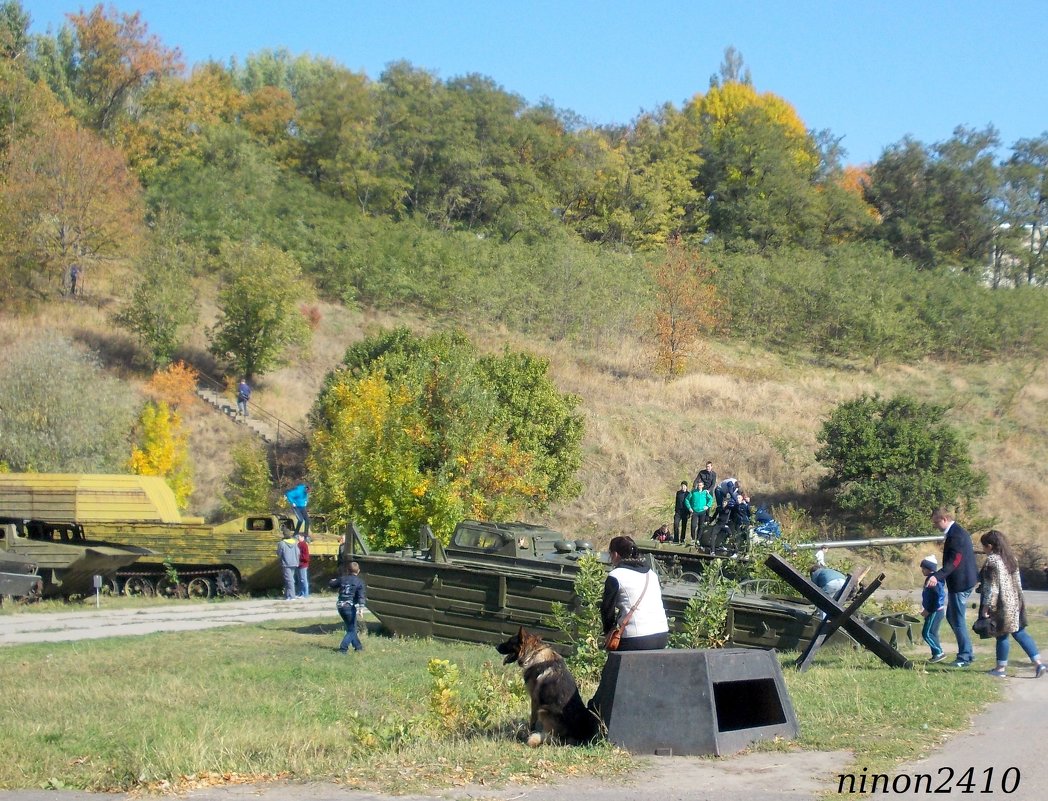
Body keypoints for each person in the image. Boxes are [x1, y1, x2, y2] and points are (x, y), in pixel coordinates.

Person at [978, 530, 1047, 679]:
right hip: (1015, 601)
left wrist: (986, 606)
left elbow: (992, 587)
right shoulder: (1011, 558)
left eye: (984, 546)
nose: (983, 550)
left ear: (990, 546)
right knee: (1020, 632)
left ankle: (1000, 668)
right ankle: (1038, 663)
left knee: (1001, 635)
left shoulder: (992, 561)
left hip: (1002, 604)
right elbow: (1018, 583)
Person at [926, 508, 978, 668]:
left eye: (936, 522)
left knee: (956, 619)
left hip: (961, 582)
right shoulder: (957, 532)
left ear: (944, 519)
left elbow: (954, 562)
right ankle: (967, 652)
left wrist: (937, 576)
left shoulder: (956, 535)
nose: (935, 526)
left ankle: (965, 656)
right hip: (962, 581)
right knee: (953, 617)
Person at [600, 535, 669, 651]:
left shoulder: (616, 576)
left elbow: (607, 610)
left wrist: (608, 631)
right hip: (661, 634)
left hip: (636, 637)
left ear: (615, 554)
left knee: (614, 665)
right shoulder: (651, 574)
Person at [329, 561, 367, 653]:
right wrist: (361, 609)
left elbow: (332, 584)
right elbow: (361, 596)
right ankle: (343, 649)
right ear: (358, 571)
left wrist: (331, 581)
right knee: (351, 630)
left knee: (351, 627)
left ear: (347, 570)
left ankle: (358, 647)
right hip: (349, 607)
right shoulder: (359, 582)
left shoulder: (342, 579)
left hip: (340, 606)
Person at [919, 555, 947, 663]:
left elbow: (935, 597)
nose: (922, 570)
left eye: (923, 568)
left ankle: (939, 652)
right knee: (933, 633)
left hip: (935, 611)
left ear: (929, 568)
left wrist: (928, 610)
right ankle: (936, 654)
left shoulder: (932, 581)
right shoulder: (933, 578)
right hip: (936, 610)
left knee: (926, 633)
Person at [685, 482, 714, 547]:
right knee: (693, 525)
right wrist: (689, 508)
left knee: (701, 526)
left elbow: (711, 499)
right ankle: (693, 539)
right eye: (698, 485)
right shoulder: (693, 492)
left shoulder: (705, 492)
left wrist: (707, 506)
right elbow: (687, 500)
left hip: (702, 511)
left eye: (700, 485)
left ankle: (698, 539)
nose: (699, 486)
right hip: (694, 511)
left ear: (703, 486)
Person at [276, 527, 300, 601]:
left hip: (286, 563)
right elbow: (298, 552)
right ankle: (287, 595)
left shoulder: (282, 543)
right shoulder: (295, 542)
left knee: (289, 580)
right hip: (294, 562)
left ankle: (292, 596)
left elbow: (279, 553)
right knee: (289, 579)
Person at [295, 531, 311, 598]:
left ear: (302, 537)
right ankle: (301, 593)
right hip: (299, 564)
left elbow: (306, 556)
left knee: (303, 579)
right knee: (300, 579)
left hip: (303, 564)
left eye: (298, 536)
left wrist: (299, 557)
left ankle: (305, 594)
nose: (297, 538)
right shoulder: (299, 544)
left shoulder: (303, 544)